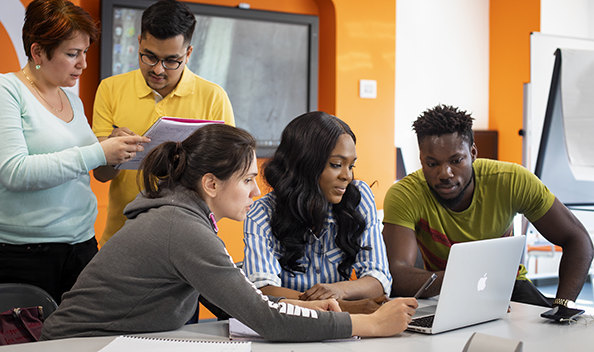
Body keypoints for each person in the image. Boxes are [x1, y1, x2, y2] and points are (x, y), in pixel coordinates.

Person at [40, 124, 418, 341]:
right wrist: (369, 323)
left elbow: (232, 300)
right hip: (75, 347)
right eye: (249, 180)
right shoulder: (182, 228)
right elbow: (265, 319)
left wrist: (303, 307)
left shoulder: (183, 216)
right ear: (211, 184)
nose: (256, 191)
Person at [0, 0, 149, 304]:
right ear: (37, 51)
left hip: (82, 247)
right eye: (72, 54)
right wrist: (98, 152)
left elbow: (91, 170)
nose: (83, 63)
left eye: (85, 52)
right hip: (24, 254)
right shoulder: (2, 90)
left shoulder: (72, 100)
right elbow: (15, 172)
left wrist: (116, 152)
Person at [382, 104, 593, 308]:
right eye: (432, 164)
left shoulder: (511, 180)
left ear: (473, 153)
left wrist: (563, 305)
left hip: (509, 285)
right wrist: (462, 280)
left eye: (456, 161)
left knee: (551, 337)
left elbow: (578, 239)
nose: (445, 173)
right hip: (442, 290)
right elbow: (397, 274)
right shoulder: (405, 195)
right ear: (421, 159)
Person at [92, 0, 235, 246]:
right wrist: (111, 152)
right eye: (149, 57)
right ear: (138, 43)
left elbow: (228, 174)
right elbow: (101, 175)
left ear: (188, 54)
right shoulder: (110, 89)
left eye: (171, 60)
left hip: (187, 238)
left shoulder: (214, 97)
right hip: (122, 237)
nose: (158, 69)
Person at [243, 111, 392, 314]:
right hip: (288, 328)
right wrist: (343, 306)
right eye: (336, 165)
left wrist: (337, 290)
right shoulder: (261, 214)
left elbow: (380, 278)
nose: (347, 176)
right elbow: (263, 291)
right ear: (305, 163)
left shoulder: (359, 197)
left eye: (351, 166)